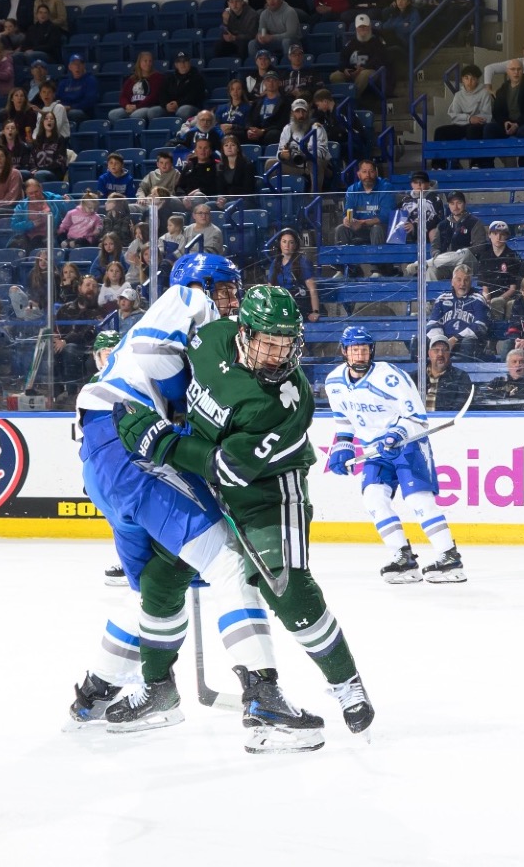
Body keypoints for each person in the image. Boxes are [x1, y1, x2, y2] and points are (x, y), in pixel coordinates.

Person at [115, 284, 376, 743]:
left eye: (285, 344)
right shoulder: (211, 337)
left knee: (284, 586)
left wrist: (158, 441)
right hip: (205, 481)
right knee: (161, 577)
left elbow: (230, 468)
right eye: (267, 342)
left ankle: (345, 682)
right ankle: (157, 689)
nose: (278, 356)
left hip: (269, 490)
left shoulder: (286, 400)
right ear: (243, 332)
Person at [65, 256, 308, 747]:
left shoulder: (203, 334)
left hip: (105, 454)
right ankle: (262, 697)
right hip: (131, 443)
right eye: (225, 288)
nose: (231, 299)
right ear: (201, 284)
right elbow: (157, 355)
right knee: (228, 562)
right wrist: (187, 412)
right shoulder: (187, 299)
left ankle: (98, 691)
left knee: (154, 586)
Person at [324, 325, 467, 585]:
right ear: (344, 351)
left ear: (371, 351)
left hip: (407, 444)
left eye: (364, 350)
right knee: (373, 499)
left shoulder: (390, 376)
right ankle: (403, 558)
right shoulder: (333, 382)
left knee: (418, 501)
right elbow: (343, 419)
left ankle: (449, 558)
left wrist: (396, 434)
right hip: (373, 451)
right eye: (354, 350)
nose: (360, 355)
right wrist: (342, 445)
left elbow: (417, 418)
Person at [426, 263, 491, 353]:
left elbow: (481, 326)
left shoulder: (478, 299)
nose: (462, 284)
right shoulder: (442, 299)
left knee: (468, 343)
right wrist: (441, 341)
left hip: (466, 343)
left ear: (471, 282)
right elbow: (433, 322)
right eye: (459, 280)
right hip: (443, 342)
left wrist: (457, 338)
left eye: (466, 280)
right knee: (420, 342)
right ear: (452, 282)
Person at [263, 228, 319, 322]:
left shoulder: (303, 262)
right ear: (280, 244)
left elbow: (312, 289)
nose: (287, 245)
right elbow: (270, 289)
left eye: (291, 242)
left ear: (295, 245)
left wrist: (315, 311)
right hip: (280, 306)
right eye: (284, 242)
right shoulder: (276, 262)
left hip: (298, 306)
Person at [336, 159, 391, 248]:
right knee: (341, 229)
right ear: (359, 174)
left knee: (377, 229)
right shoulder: (352, 190)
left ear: (376, 173)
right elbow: (348, 212)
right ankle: (344, 261)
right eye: (364, 172)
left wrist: (362, 223)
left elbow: (385, 216)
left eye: (371, 171)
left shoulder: (386, 187)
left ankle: (379, 261)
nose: (368, 175)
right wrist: (347, 220)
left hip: (381, 228)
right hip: (358, 228)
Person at [333, 14, 389, 98]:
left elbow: (379, 59)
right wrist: (344, 69)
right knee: (335, 76)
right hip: (353, 72)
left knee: (363, 74)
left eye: (365, 27)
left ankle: (353, 99)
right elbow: (342, 58)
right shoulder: (351, 43)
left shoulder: (377, 41)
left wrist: (364, 68)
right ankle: (343, 99)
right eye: (360, 27)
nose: (362, 29)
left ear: (370, 27)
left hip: (371, 71)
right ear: (356, 29)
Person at [436, 66, 492, 142]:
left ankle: (473, 154)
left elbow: (487, 115)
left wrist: (474, 120)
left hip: (478, 126)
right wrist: (469, 119)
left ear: (477, 80)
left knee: (471, 130)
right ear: (462, 79)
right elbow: (454, 115)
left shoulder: (484, 93)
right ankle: (443, 154)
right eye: (466, 78)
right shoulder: (458, 95)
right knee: (439, 132)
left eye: (473, 79)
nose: (469, 82)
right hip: (462, 125)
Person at [471, 220, 522, 301]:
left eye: (502, 234)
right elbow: (485, 286)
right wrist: (487, 299)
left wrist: (498, 300)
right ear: (489, 235)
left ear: (506, 236)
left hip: (509, 299)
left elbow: (513, 288)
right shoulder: (485, 257)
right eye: (495, 234)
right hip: (490, 298)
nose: (498, 238)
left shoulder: (513, 257)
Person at [422, 339, 473, 411]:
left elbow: (459, 408)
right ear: (429, 353)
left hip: (446, 420)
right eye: (436, 350)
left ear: (449, 354)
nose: (440, 354)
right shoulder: (415, 377)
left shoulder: (461, 377)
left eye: (445, 350)